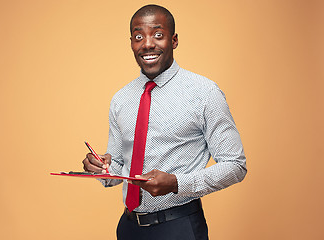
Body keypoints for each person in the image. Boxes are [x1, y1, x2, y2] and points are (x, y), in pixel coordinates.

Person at [82, 4, 247, 240]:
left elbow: (235, 165)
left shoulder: (204, 92)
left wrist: (176, 183)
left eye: (158, 35)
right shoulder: (121, 99)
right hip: (128, 228)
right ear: (131, 42)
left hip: (179, 227)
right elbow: (117, 168)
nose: (148, 44)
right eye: (139, 36)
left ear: (174, 40)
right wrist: (101, 168)